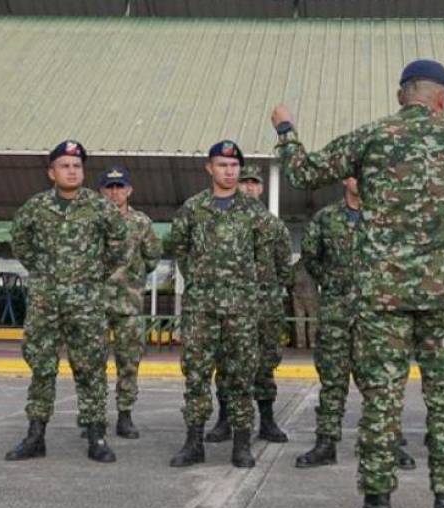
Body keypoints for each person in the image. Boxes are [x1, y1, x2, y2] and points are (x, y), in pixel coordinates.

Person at [271, 58, 444, 508]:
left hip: (382, 295)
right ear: (442, 98)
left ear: (402, 95)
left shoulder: (372, 136)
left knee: (381, 402)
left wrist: (286, 130)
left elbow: (304, 172)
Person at [5, 140, 129, 463]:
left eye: (76, 166)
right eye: (65, 166)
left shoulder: (100, 206)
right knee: (41, 367)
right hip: (45, 302)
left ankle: (96, 436)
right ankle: (35, 436)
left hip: (87, 302)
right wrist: (44, 272)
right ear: (51, 172)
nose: (71, 171)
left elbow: (119, 244)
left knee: (90, 368)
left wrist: (91, 274)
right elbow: (20, 241)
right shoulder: (35, 207)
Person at [168, 141, 277, 469]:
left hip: (241, 309)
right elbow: (180, 250)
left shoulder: (254, 212)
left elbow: (265, 256)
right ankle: (193, 442)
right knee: (197, 375)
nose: (229, 172)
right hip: (201, 308)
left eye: (234, 166)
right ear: (209, 168)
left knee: (242, 374)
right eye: (222, 165)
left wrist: (241, 287)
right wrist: (204, 282)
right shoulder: (192, 208)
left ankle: (242, 444)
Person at [295, 177, 416, 471]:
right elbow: (311, 258)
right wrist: (335, 284)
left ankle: (387, 443)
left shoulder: (390, 217)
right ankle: (326, 443)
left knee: (381, 383)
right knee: (332, 381)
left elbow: (406, 259)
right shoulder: (326, 218)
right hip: (336, 313)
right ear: (344, 179)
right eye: (354, 174)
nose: (359, 180)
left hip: (378, 315)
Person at [204, 164, 291, 445]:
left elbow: (284, 266)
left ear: (262, 188)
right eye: (244, 183)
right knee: (227, 361)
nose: (249, 188)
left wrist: (267, 291)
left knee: (265, 363)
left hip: (265, 306)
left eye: (254, 183)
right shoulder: (219, 222)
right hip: (230, 304)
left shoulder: (273, 225)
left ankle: (266, 420)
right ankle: (225, 419)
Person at [100, 166, 162, 439]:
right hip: (96, 305)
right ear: (102, 191)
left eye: (120, 187)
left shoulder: (141, 222)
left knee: (128, 363)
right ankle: (94, 416)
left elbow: (152, 257)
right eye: (110, 187)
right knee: (91, 363)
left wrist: (132, 278)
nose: (115, 193)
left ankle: (125, 416)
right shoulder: (92, 221)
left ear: (129, 190)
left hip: (129, 304)